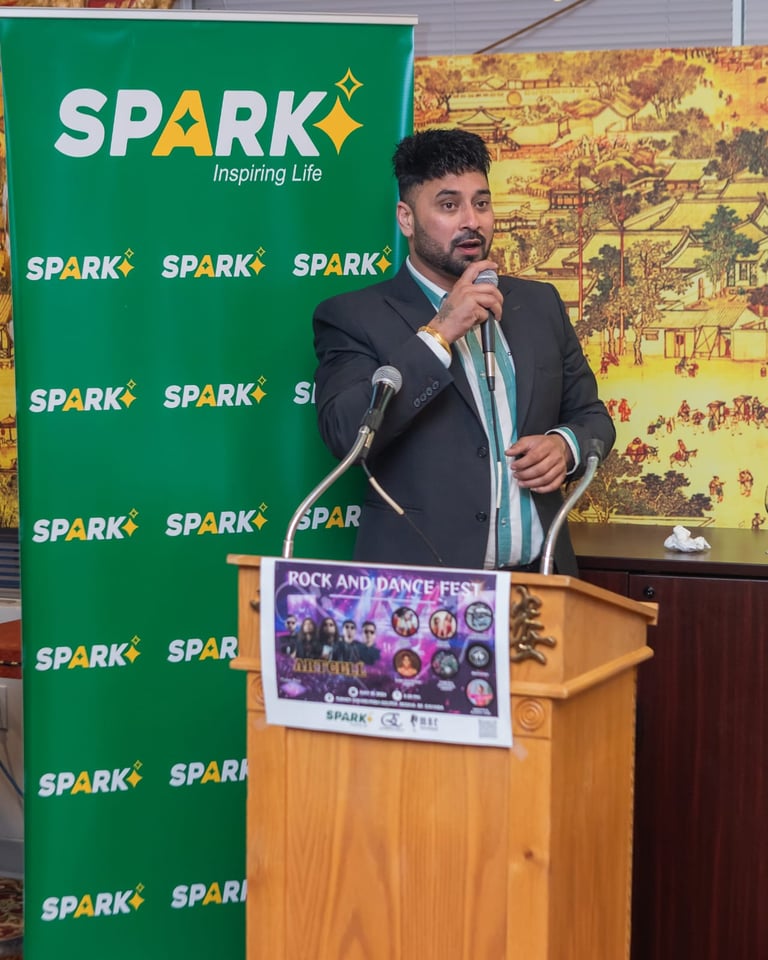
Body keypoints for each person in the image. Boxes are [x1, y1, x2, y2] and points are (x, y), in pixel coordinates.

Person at [313, 129, 615, 575]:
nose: (471, 221)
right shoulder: (353, 316)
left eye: (481, 203)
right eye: (449, 206)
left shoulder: (539, 304)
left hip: (541, 579)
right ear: (406, 219)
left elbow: (592, 416)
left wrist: (565, 446)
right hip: (425, 587)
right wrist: (439, 333)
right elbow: (346, 435)